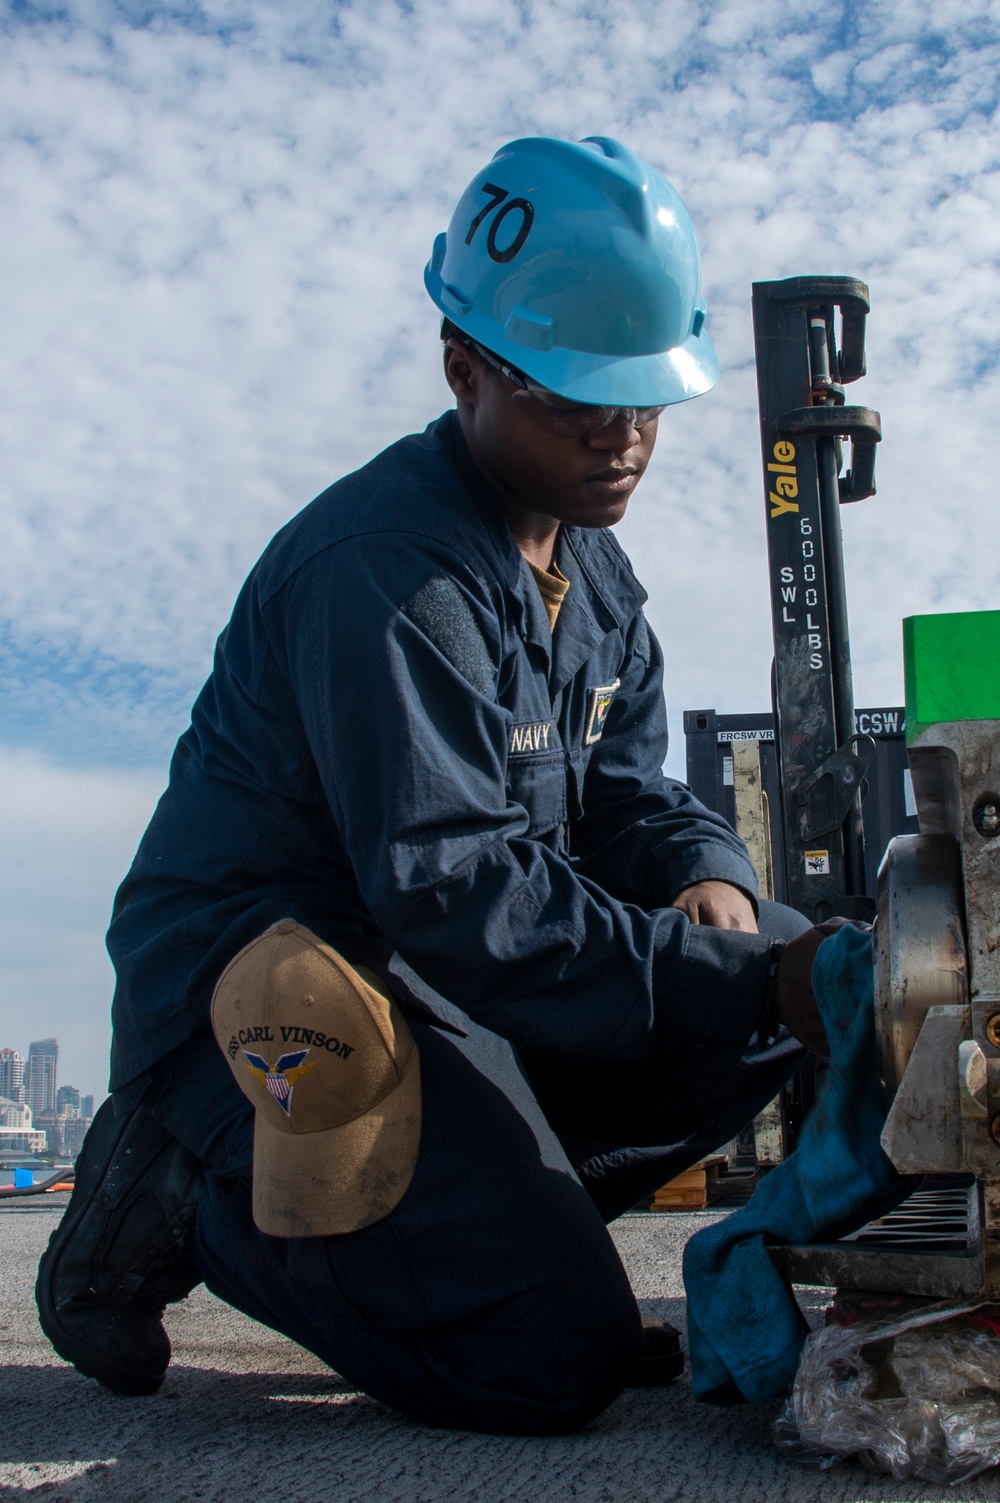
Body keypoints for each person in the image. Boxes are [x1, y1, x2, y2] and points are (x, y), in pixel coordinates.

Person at [37, 134, 831, 1436]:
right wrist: (731, 972)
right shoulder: (391, 574)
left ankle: (486, 1232)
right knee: (545, 1362)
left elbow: (630, 799)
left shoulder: (593, 568)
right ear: (465, 368)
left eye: (646, 401)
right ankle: (181, 1186)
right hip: (282, 998)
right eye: (581, 398)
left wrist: (712, 879)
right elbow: (459, 893)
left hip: (445, 983)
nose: (624, 437)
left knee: (777, 984)